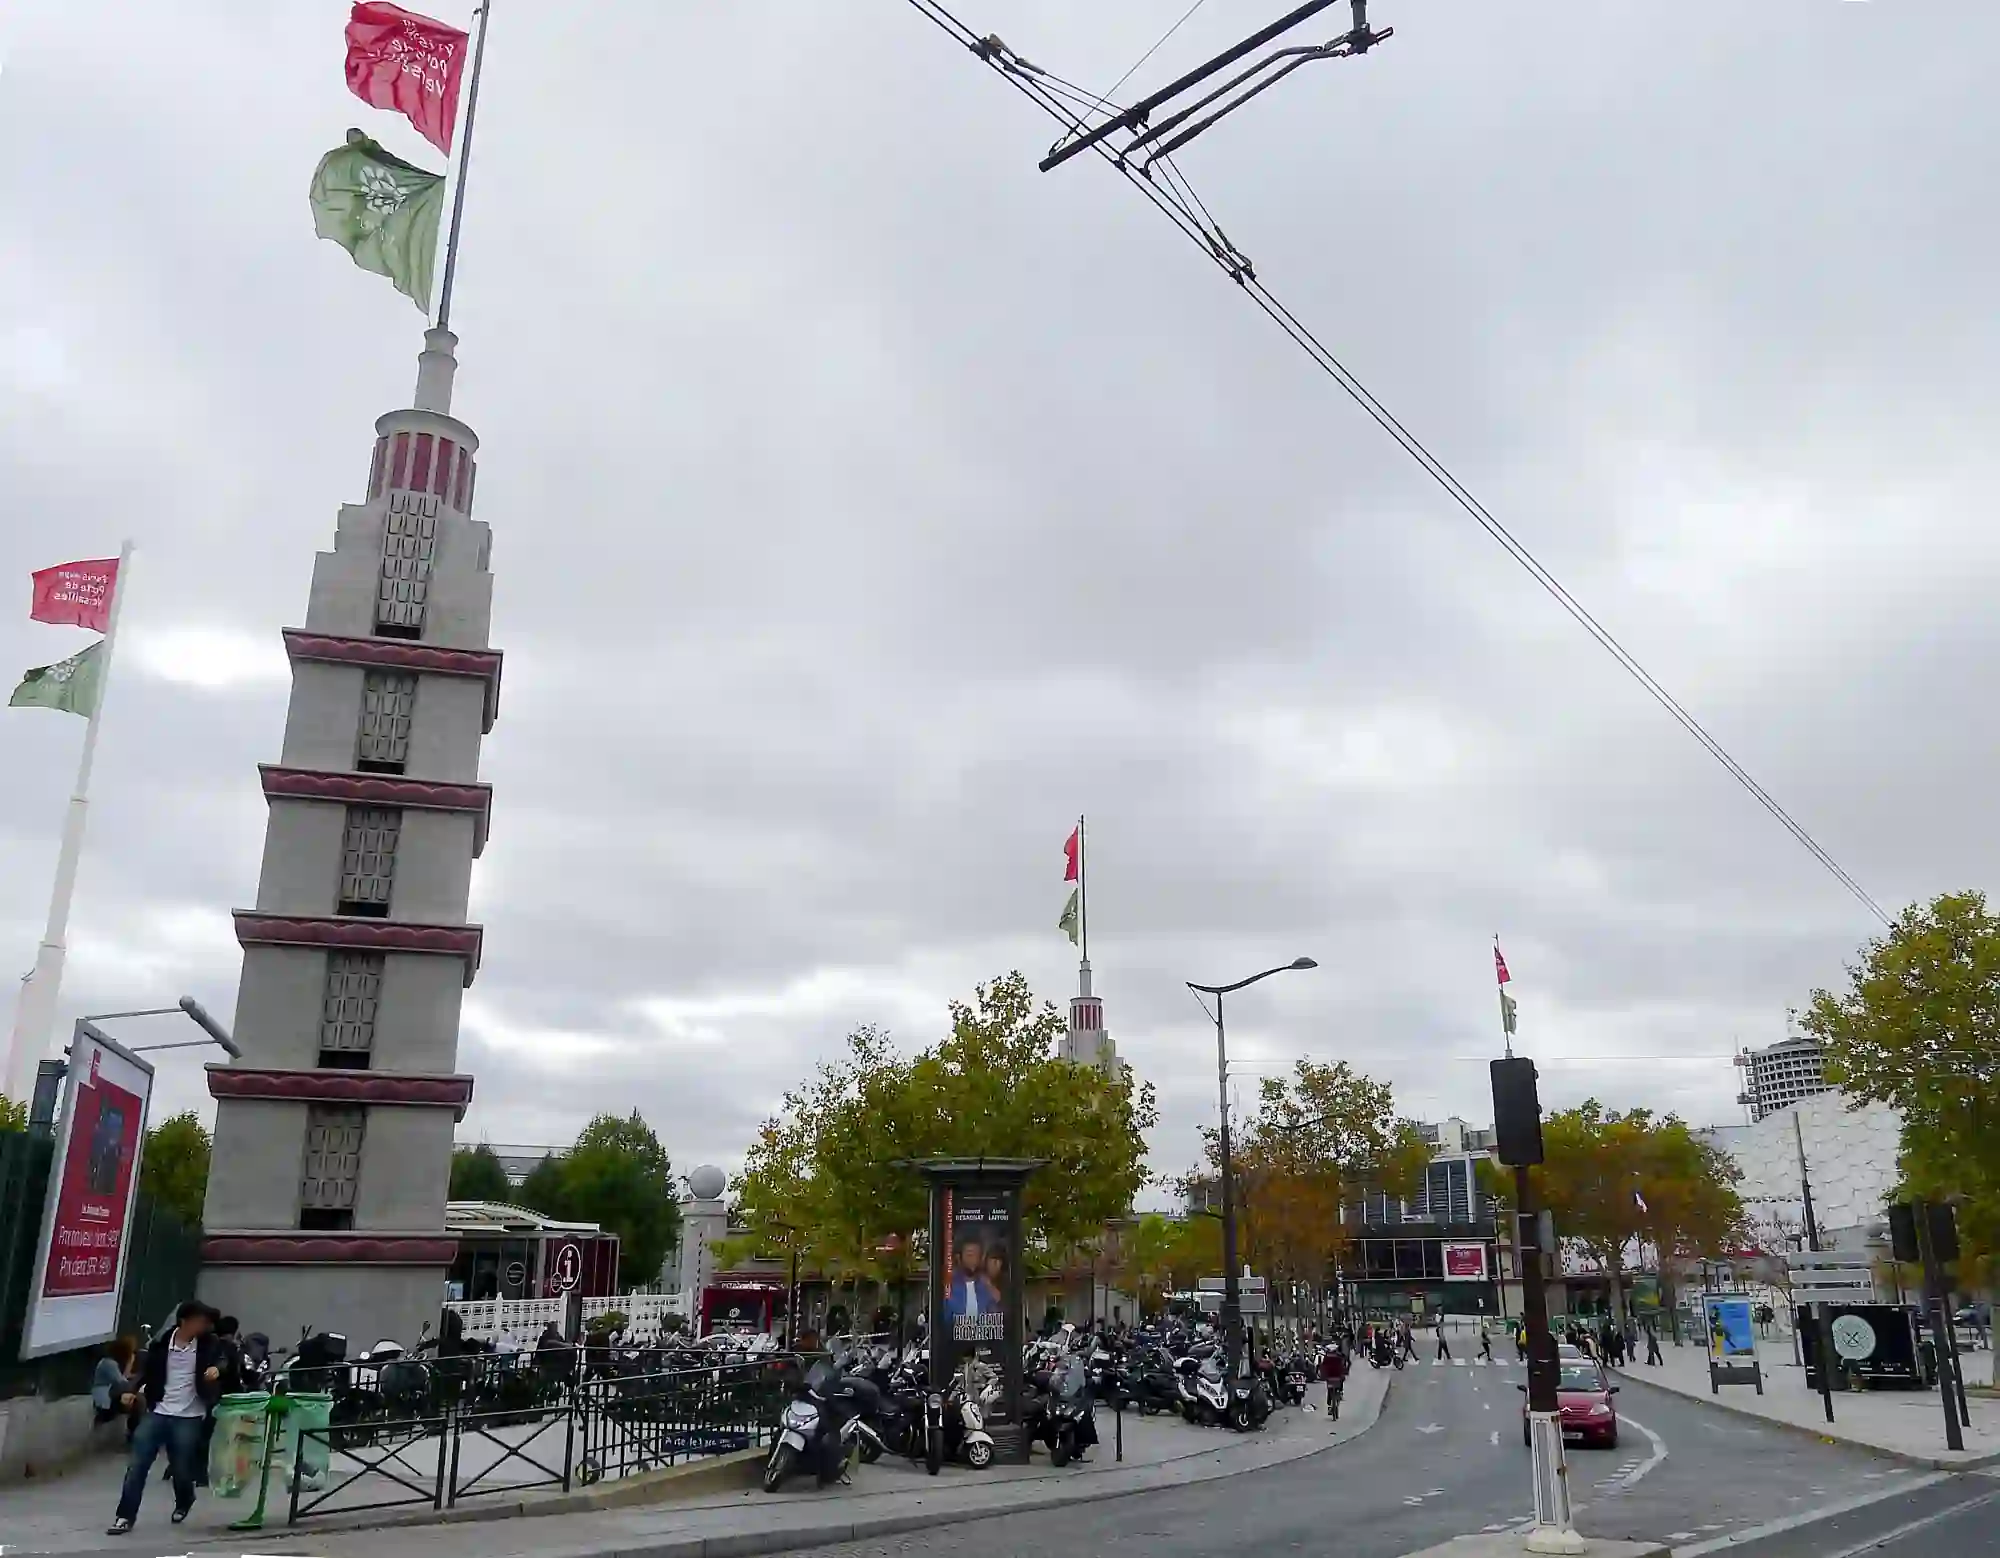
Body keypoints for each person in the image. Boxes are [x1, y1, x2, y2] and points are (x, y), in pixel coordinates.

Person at [106, 1302, 222, 1536]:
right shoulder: (161, 1344)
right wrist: (131, 1389)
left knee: (181, 1467)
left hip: (189, 1414)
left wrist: (217, 1369)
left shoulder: (209, 1343)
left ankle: (185, 1499)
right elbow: (145, 1371)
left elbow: (227, 1358)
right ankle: (124, 1516)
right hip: (159, 1410)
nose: (203, 1326)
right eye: (199, 1321)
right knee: (137, 1465)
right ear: (184, 1321)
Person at [91, 1339, 141, 1443]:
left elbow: (123, 1380)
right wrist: (130, 1364)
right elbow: (123, 1384)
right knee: (138, 1403)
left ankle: (134, 1434)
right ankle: (132, 1437)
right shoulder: (109, 1364)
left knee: (137, 1401)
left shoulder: (110, 1362)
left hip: (108, 1397)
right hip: (105, 1401)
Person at [945, 1234, 989, 1321]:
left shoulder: (986, 1286)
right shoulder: (949, 1287)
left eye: (977, 1255)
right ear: (959, 1258)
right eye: (969, 1255)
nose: (973, 1259)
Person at [1320, 1343, 1348, 1424]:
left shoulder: (1326, 1357)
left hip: (1329, 1378)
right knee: (1339, 1386)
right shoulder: (1339, 1357)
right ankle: (1340, 1393)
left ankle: (1329, 1404)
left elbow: (1323, 1367)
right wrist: (1344, 1373)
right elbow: (1343, 1366)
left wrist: (1323, 1376)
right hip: (1338, 1377)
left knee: (1329, 1390)